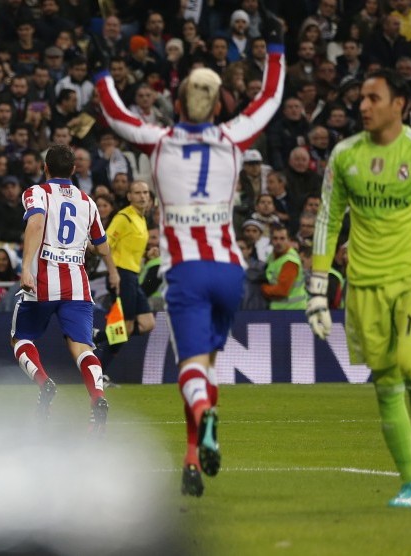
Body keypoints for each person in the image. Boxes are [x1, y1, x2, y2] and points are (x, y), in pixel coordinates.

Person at [96, 16, 285, 496]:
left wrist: (100, 75)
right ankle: (192, 462)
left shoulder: (159, 141)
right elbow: (269, 99)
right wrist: (277, 49)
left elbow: (116, 115)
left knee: (191, 371)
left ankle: (207, 417)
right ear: (220, 102)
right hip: (229, 270)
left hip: (187, 272)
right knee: (206, 366)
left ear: (176, 103)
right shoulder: (234, 138)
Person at [307, 69, 411, 508]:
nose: (362, 106)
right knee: (385, 382)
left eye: (373, 98)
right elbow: (328, 219)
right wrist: (318, 285)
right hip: (365, 283)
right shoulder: (344, 156)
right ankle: (409, 481)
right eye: (360, 98)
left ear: (399, 103)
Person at [10, 144, 120, 434]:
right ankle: (98, 397)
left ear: (45, 168)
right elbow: (102, 245)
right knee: (82, 346)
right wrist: (102, 258)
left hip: (42, 283)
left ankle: (43, 381)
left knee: (20, 338)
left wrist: (25, 268)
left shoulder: (37, 193)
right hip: (77, 285)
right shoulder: (88, 202)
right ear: (74, 170)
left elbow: (35, 223)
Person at [93, 180, 156, 376]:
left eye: (145, 192)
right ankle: (99, 373)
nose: (142, 196)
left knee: (146, 324)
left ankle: (100, 336)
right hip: (121, 275)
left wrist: (147, 254)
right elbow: (105, 246)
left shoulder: (141, 218)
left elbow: (128, 248)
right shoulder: (124, 217)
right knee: (125, 327)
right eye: (137, 193)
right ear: (129, 196)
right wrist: (113, 273)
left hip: (132, 276)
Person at [260, 225, 307, 310]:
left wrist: (263, 289)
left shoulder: (290, 261)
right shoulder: (273, 256)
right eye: (275, 238)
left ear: (288, 240)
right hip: (281, 309)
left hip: (292, 310)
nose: (278, 242)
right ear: (271, 240)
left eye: (282, 239)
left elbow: (281, 291)